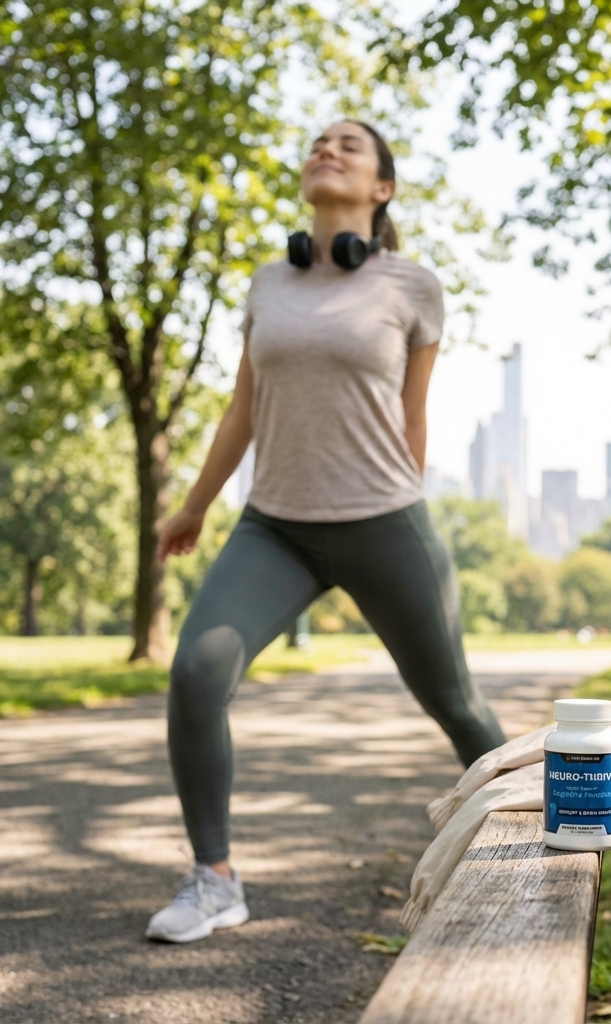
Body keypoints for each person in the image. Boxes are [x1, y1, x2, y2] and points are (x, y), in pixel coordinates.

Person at [144, 120, 507, 944]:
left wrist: (406, 510)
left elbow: (414, 417)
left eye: (350, 144)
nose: (328, 149)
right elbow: (245, 405)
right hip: (275, 527)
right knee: (198, 674)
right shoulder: (268, 284)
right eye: (320, 142)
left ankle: (561, 845)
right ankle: (215, 882)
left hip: (384, 521)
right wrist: (197, 504)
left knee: (455, 703)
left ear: (382, 188)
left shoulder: (412, 286)